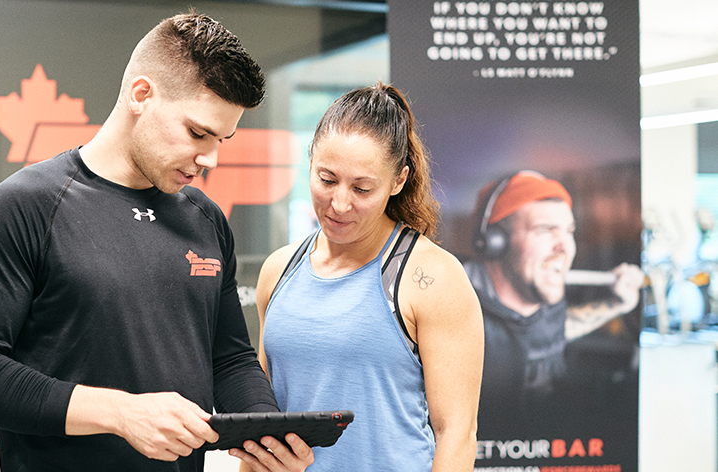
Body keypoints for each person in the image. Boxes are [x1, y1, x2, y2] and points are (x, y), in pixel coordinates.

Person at [0, 12, 312, 472]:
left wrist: (266, 432)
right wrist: (121, 414)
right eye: (197, 133)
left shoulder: (205, 219)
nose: (210, 158)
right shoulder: (24, 206)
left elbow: (228, 358)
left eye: (222, 139)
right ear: (141, 95)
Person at [239, 83, 484, 472]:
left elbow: (456, 434)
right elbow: (265, 430)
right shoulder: (279, 270)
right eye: (327, 179)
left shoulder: (432, 277)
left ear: (398, 181)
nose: (339, 204)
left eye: (362, 188)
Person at [463, 170, 644, 432]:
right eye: (545, 231)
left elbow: (554, 328)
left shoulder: (542, 298)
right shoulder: (449, 303)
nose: (565, 247)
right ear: (494, 242)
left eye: (569, 231)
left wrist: (617, 304)